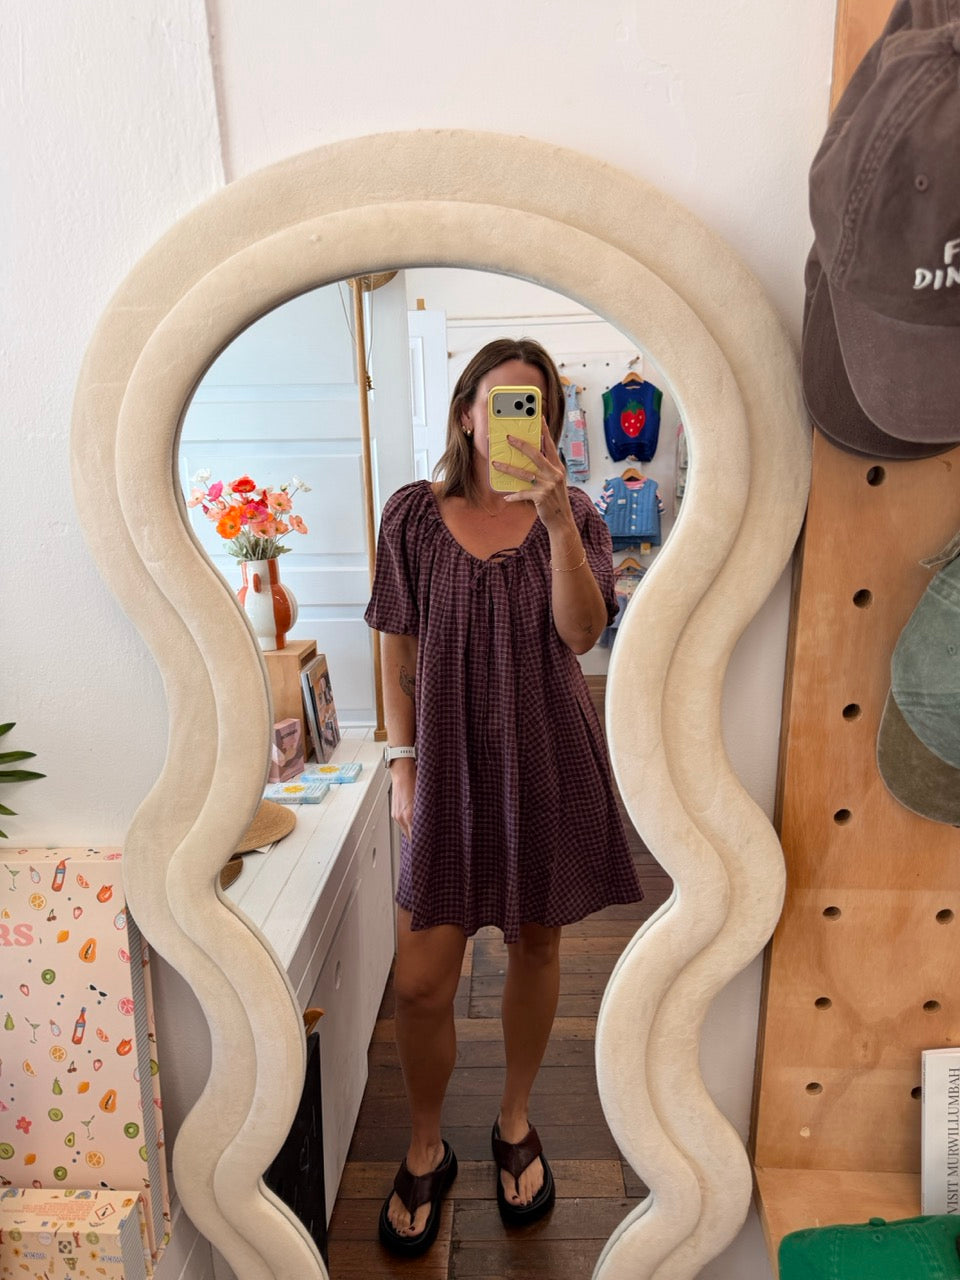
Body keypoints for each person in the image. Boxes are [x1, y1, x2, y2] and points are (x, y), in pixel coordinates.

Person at [364, 337, 643, 1257]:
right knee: (420, 982)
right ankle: (426, 1142)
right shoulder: (412, 516)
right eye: (504, 402)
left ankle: (515, 1119)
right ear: (466, 414)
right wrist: (402, 763)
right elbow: (395, 646)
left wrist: (557, 523)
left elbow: (582, 634)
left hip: (546, 754)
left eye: (538, 407)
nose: (523, 421)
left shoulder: (582, 517)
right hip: (443, 764)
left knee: (537, 942)